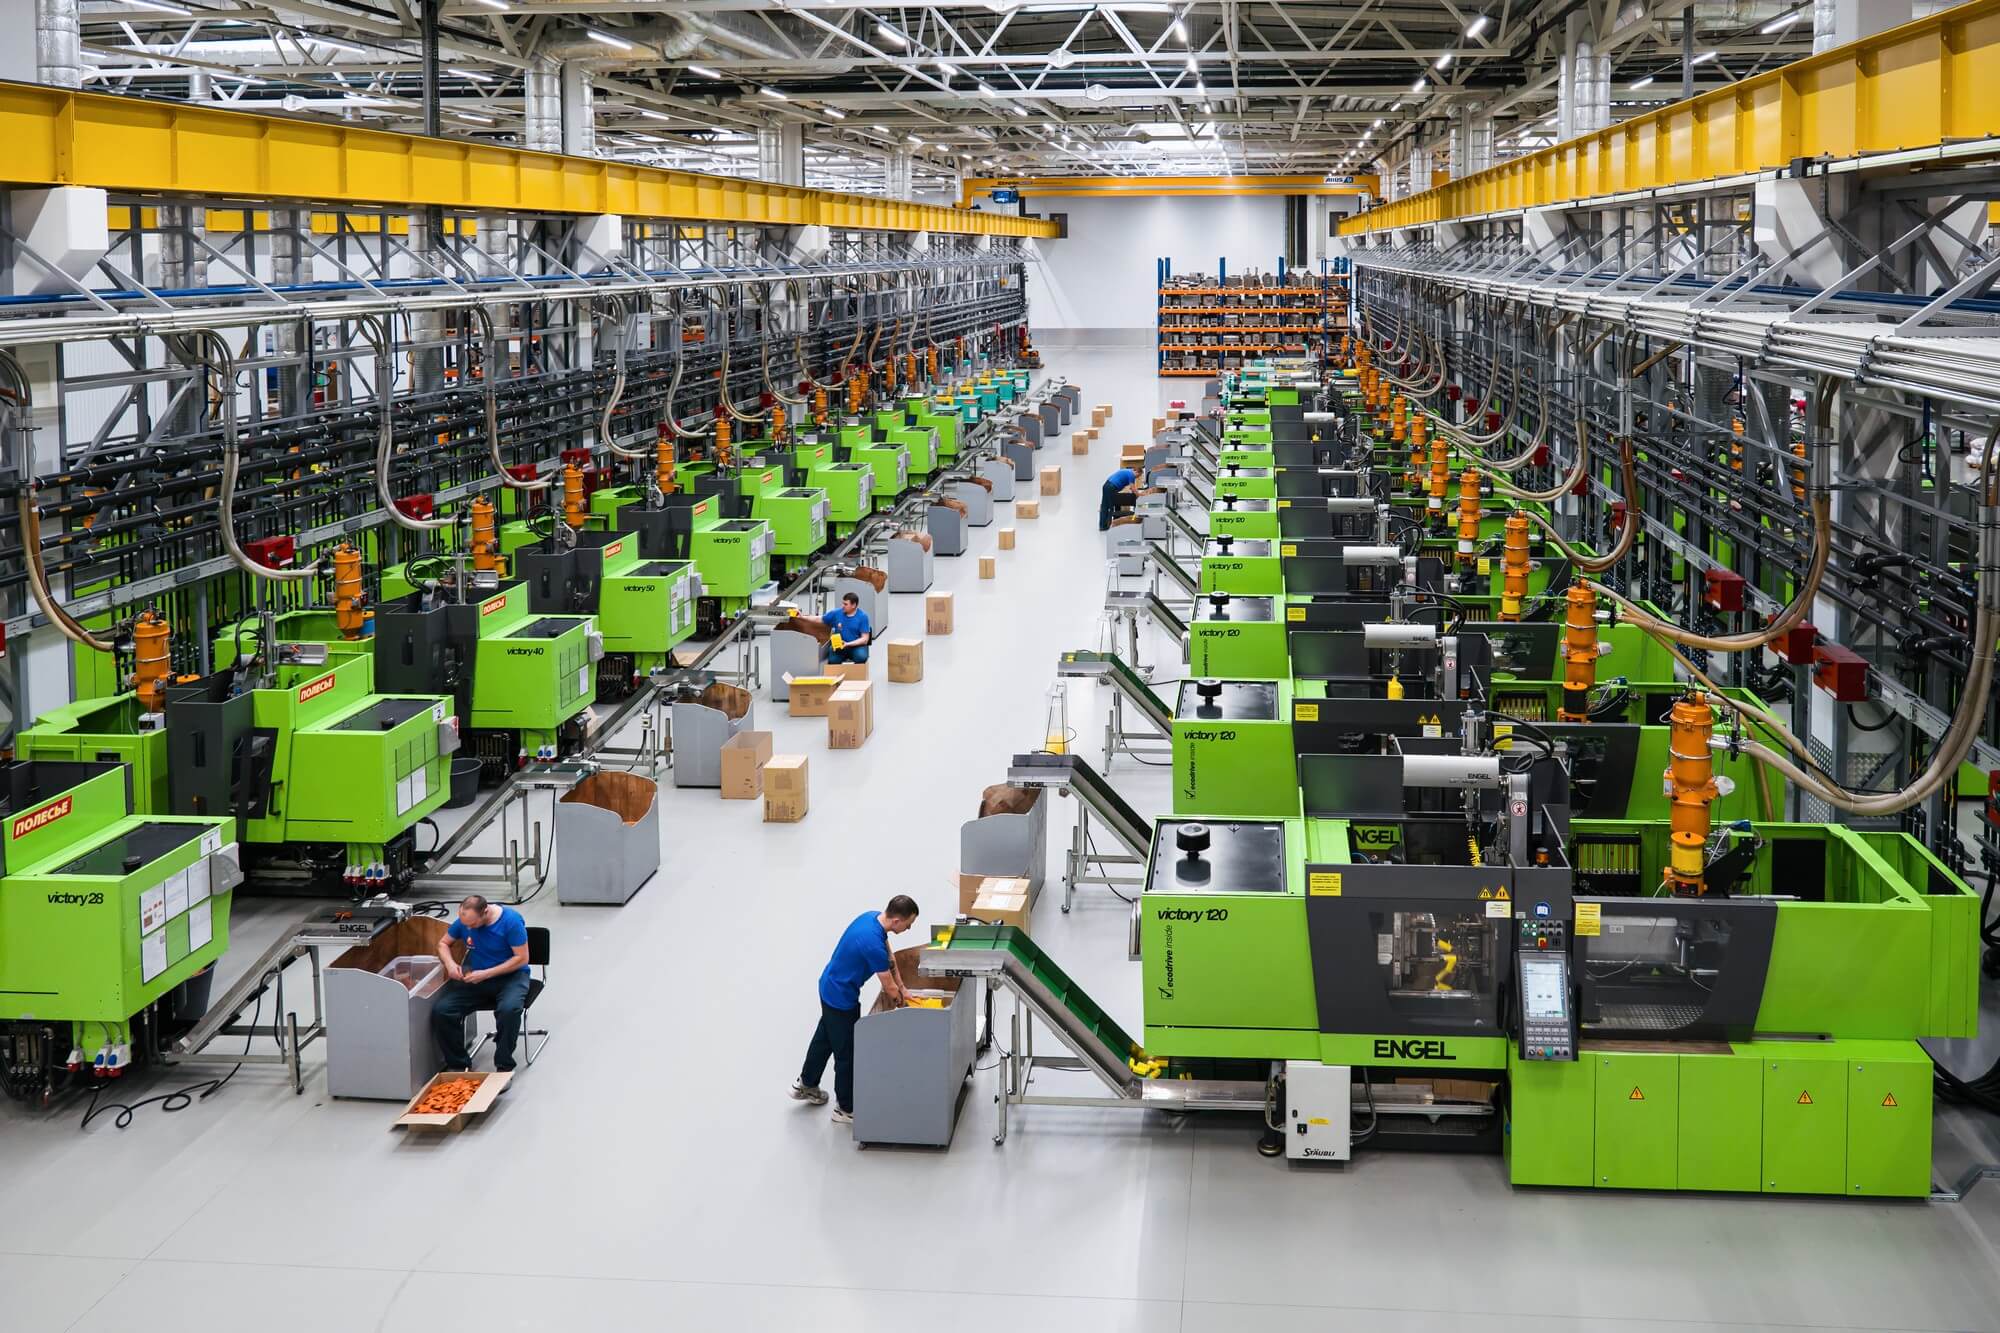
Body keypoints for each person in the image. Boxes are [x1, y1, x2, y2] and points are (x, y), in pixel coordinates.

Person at [790, 894, 919, 1124]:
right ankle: (845, 1108)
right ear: (897, 921)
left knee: (825, 1038)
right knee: (847, 1053)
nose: (909, 929)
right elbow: (888, 987)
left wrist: (903, 988)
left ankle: (806, 1084)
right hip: (841, 998)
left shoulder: (872, 918)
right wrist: (907, 1006)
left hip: (829, 985)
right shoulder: (872, 944)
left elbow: (890, 957)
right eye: (908, 924)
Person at [431, 894, 532, 1073]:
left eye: (473, 924)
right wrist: (450, 964)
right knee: (443, 1010)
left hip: (511, 977)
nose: (469, 928)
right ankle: (458, 1064)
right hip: (477, 977)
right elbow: (443, 944)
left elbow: (522, 958)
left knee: (509, 1010)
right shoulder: (465, 921)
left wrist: (486, 974)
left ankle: (504, 1065)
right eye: (466, 925)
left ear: (485, 912)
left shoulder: (511, 921)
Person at [820, 591, 873, 665]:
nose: (843, 606)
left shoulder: (863, 617)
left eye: (845, 604)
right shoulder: (836, 613)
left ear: (853, 605)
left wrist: (847, 644)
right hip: (839, 646)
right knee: (833, 660)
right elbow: (820, 619)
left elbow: (865, 639)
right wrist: (804, 617)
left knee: (861, 657)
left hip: (856, 646)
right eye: (843, 603)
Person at [1098, 465, 1150, 530]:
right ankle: (1107, 526)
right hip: (1111, 487)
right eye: (1138, 475)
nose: (1137, 477)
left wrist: (1135, 492)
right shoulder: (1131, 474)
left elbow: (1131, 488)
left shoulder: (1127, 471)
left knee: (1105, 506)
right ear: (1136, 471)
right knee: (1109, 507)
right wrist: (1140, 496)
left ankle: (1102, 526)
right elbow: (1133, 488)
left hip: (1106, 485)